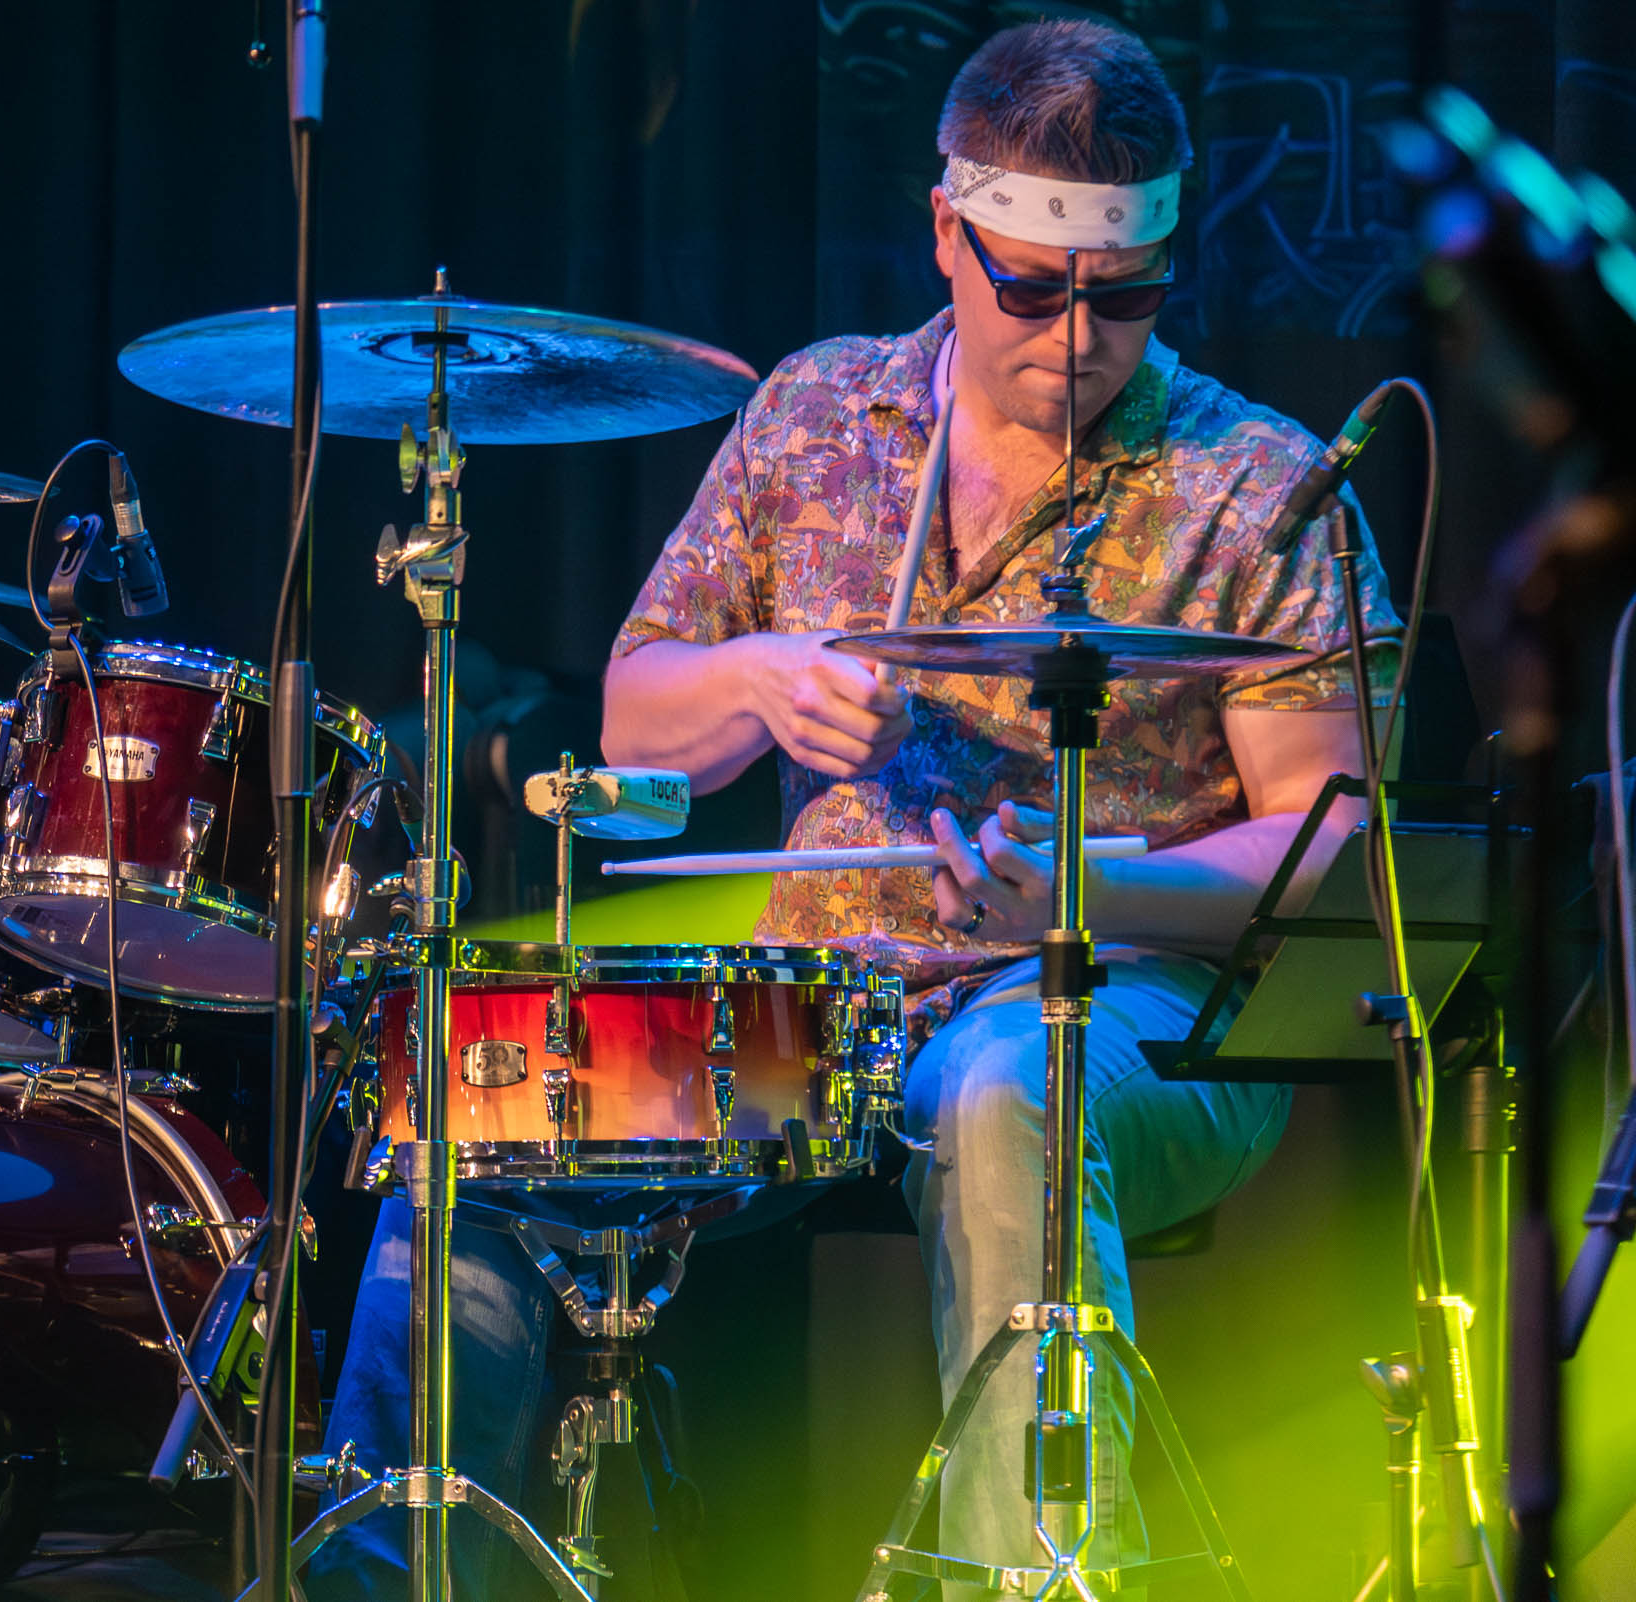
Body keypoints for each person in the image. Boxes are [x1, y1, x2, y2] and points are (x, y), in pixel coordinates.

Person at [313, 19, 1397, 1599]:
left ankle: (1038, 1575)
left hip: (1123, 1002)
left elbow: (1333, 841)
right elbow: (637, 717)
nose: (1078, 336)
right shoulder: (818, 411)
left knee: (1007, 1089)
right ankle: (394, 1569)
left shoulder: (1258, 483)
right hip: (813, 1013)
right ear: (948, 231)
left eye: (1125, 294)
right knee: (484, 1091)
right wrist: (761, 676)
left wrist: (1089, 893)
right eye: (1033, 288)